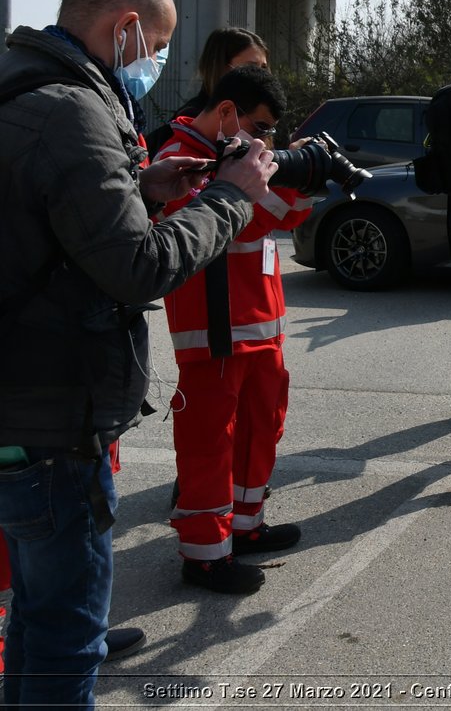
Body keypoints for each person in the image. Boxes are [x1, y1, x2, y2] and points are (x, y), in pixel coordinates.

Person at [0, 0, 275, 708]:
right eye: (154, 44)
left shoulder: (22, 84)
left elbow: (51, 217)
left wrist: (143, 186)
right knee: (64, 636)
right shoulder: (73, 110)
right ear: (124, 29)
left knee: (35, 616)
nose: (155, 64)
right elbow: (138, 266)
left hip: (20, 407)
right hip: (55, 419)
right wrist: (227, 197)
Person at [153, 65, 312, 594]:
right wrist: (275, 180)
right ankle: (204, 553)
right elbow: (254, 216)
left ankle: (244, 525)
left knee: (260, 426)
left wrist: (304, 172)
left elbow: (283, 218)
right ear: (227, 113)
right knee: (208, 444)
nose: (266, 140)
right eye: (260, 127)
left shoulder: (240, 156)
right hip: (214, 332)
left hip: (259, 321)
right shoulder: (178, 157)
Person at [146, 27, 269, 155]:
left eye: (263, 68)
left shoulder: (255, 113)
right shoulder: (195, 120)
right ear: (222, 67)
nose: (260, 76)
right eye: (250, 67)